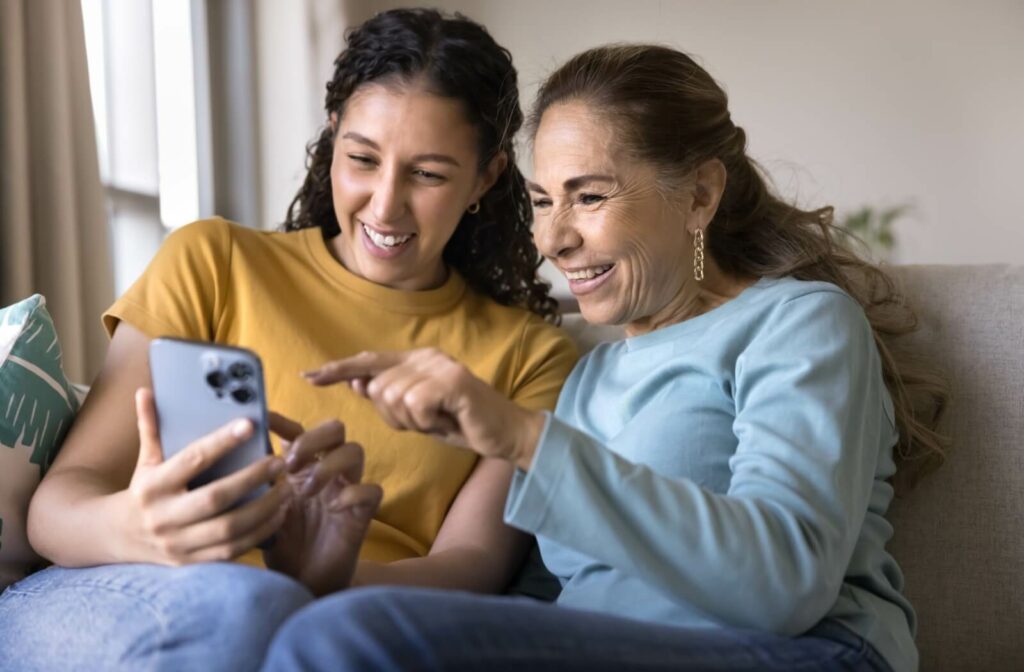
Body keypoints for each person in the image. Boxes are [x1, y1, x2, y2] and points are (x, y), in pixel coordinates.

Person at [261, 44, 948, 672]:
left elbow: (785, 586)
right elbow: (539, 608)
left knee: (346, 637)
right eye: (541, 201)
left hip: (808, 652)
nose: (553, 239)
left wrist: (527, 438)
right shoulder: (590, 375)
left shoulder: (798, 324)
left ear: (700, 195)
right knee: (326, 624)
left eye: (588, 197)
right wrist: (328, 571)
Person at [0, 9, 576, 671]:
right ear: (333, 139)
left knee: (266, 613)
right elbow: (57, 505)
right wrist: (136, 525)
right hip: (121, 587)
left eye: (429, 175)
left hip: (335, 623)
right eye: (362, 159)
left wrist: (323, 581)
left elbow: (470, 566)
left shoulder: (531, 357)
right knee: (251, 609)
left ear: (486, 177)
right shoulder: (214, 262)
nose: (384, 206)